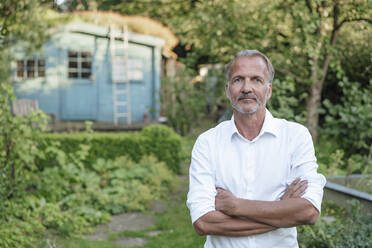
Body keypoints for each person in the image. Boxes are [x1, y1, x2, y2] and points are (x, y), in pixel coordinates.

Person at [186, 49, 326, 247]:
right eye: (238, 80)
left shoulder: (296, 136)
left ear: (268, 90)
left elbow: (309, 211)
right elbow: (203, 222)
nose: (246, 88)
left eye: (256, 80)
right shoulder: (207, 143)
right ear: (227, 90)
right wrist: (281, 211)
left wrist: (237, 206)